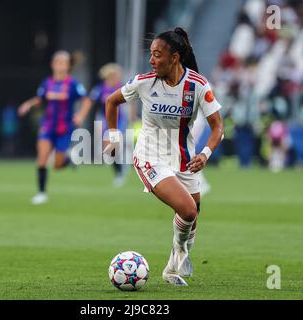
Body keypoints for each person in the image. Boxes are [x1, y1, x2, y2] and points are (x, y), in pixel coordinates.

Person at [104, 27, 224, 286]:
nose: (151, 60)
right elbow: (111, 102)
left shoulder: (198, 86)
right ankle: (180, 257)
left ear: (175, 57)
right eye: (150, 54)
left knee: (193, 217)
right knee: (188, 210)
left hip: (184, 160)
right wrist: (114, 135)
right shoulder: (144, 82)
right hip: (149, 156)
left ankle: (173, 266)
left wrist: (205, 153)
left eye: (157, 55)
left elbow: (218, 127)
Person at [18, 51, 92, 205]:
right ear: (52, 65)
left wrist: (80, 116)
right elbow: (40, 99)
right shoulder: (47, 83)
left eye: (63, 62)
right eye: (57, 62)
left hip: (64, 128)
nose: (60, 65)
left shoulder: (73, 84)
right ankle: (41, 193)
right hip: (47, 126)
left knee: (57, 165)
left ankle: (66, 160)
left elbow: (87, 101)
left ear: (68, 66)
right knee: (42, 159)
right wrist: (28, 104)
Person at [90, 63, 128, 187]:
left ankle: (120, 173)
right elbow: (91, 103)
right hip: (105, 120)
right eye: (115, 75)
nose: (117, 77)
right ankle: (119, 170)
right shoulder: (100, 89)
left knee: (114, 145)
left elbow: (129, 104)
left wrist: (132, 118)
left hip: (119, 120)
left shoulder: (122, 88)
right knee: (109, 151)